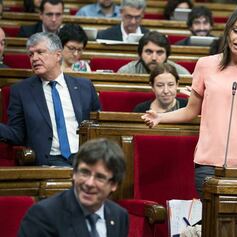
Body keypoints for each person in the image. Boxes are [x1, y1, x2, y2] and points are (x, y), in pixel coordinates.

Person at [142, 6, 237, 195]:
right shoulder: (205, 65)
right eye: (236, 30)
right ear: (228, 31)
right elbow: (190, 111)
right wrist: (160, 117)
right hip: (209, 162)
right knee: (211, 223)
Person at [0, 32, 101, 166]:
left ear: (58, 55)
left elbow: (99, 125)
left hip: (84, 158)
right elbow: (17, 134)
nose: (34, 58)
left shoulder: (84, 86)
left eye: (40, 52)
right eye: (31, 54)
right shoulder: (21, 91)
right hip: (49, 160)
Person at [18, 138, 129, 237]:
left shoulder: (119, 216)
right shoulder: (43, 215)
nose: (89, 183)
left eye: (100, 177)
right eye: (84, 173)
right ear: (74, 173)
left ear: (114, 184)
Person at [118, 31, 190, 75]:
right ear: (140, 54)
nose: (154, 58)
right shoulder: (126, 72)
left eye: (159, 53)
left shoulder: (181, 73)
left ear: (167, 55)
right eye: (149, 52)